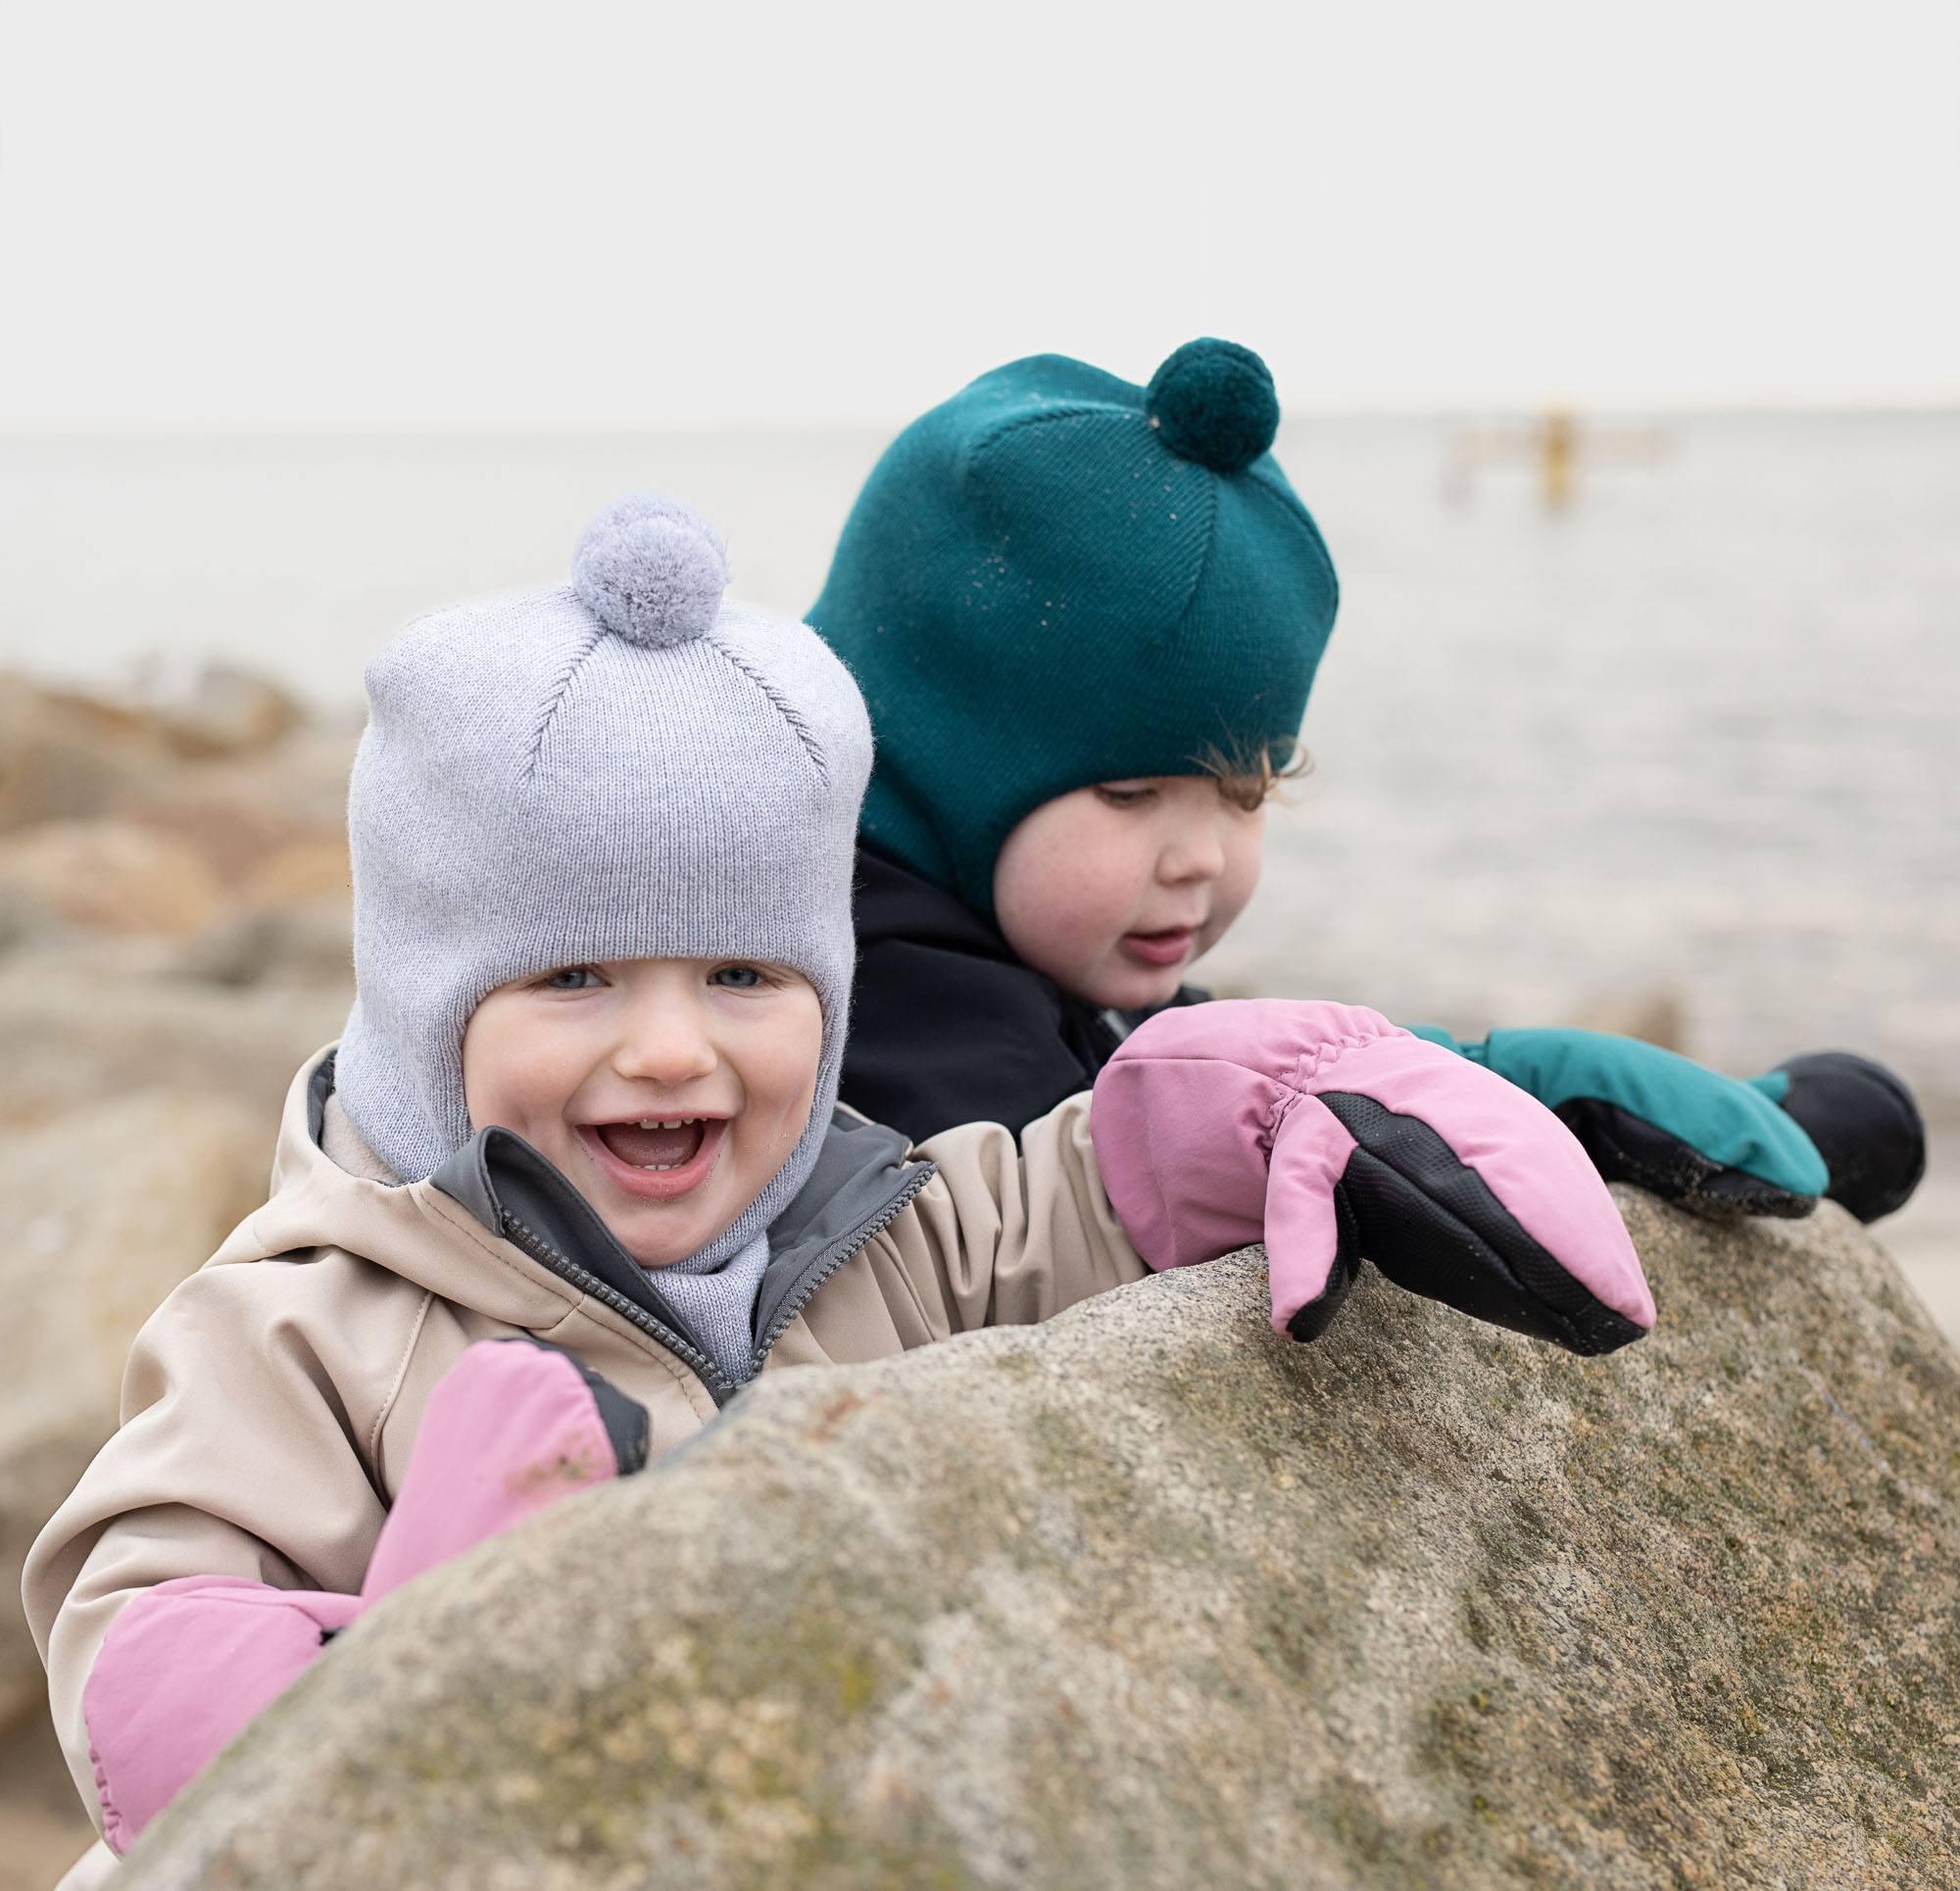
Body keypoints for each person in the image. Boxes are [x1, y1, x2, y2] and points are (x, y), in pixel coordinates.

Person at [26, 494, 1654, 1866]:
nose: (672, 1051)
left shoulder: (884, 1225)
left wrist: (1293, 1100)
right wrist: (424, 1644)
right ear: (425, 1009)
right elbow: (138, 1653)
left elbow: (1098, 1183)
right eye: (576, 980)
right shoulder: (311, 1318)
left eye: (744, 974)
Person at [807, 339, 1926, 1225]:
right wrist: (1526, 1102)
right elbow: (1135, 1180)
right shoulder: (886, 992)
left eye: (1247, 791)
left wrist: (1458, 1068)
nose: (1200, 854)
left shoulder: (1010, 938)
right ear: (932, 756)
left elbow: (1201, 1067)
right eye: (1130, 792)